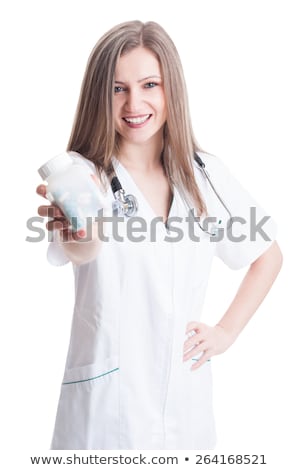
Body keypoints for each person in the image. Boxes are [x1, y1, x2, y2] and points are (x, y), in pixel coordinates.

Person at [37, 20, 282, 450]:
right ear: (100, 95)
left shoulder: (205, 175)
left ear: (172, 89)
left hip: (185, 409)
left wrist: (226, 332)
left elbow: (268, 256)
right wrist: (78, 225)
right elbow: (83, 246)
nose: (135, 102)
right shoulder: (82, 175)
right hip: (106, 415)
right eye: (118, 88)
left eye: (150, 84)